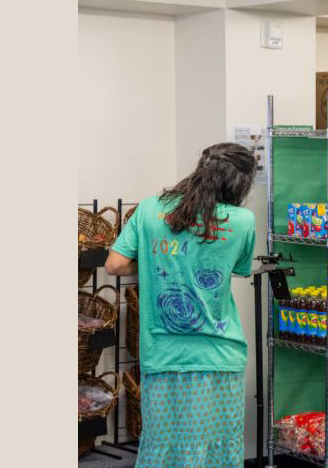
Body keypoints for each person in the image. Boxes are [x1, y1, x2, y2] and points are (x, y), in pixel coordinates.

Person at [105, 143, 258, 467]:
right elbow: (239, 268)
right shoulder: (243, 221)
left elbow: (115, 265)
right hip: (219, 355)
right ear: (238, 183)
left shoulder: (149, 209)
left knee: (162, 447)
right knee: (217, 448)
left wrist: (152, 258)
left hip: (162, 353)